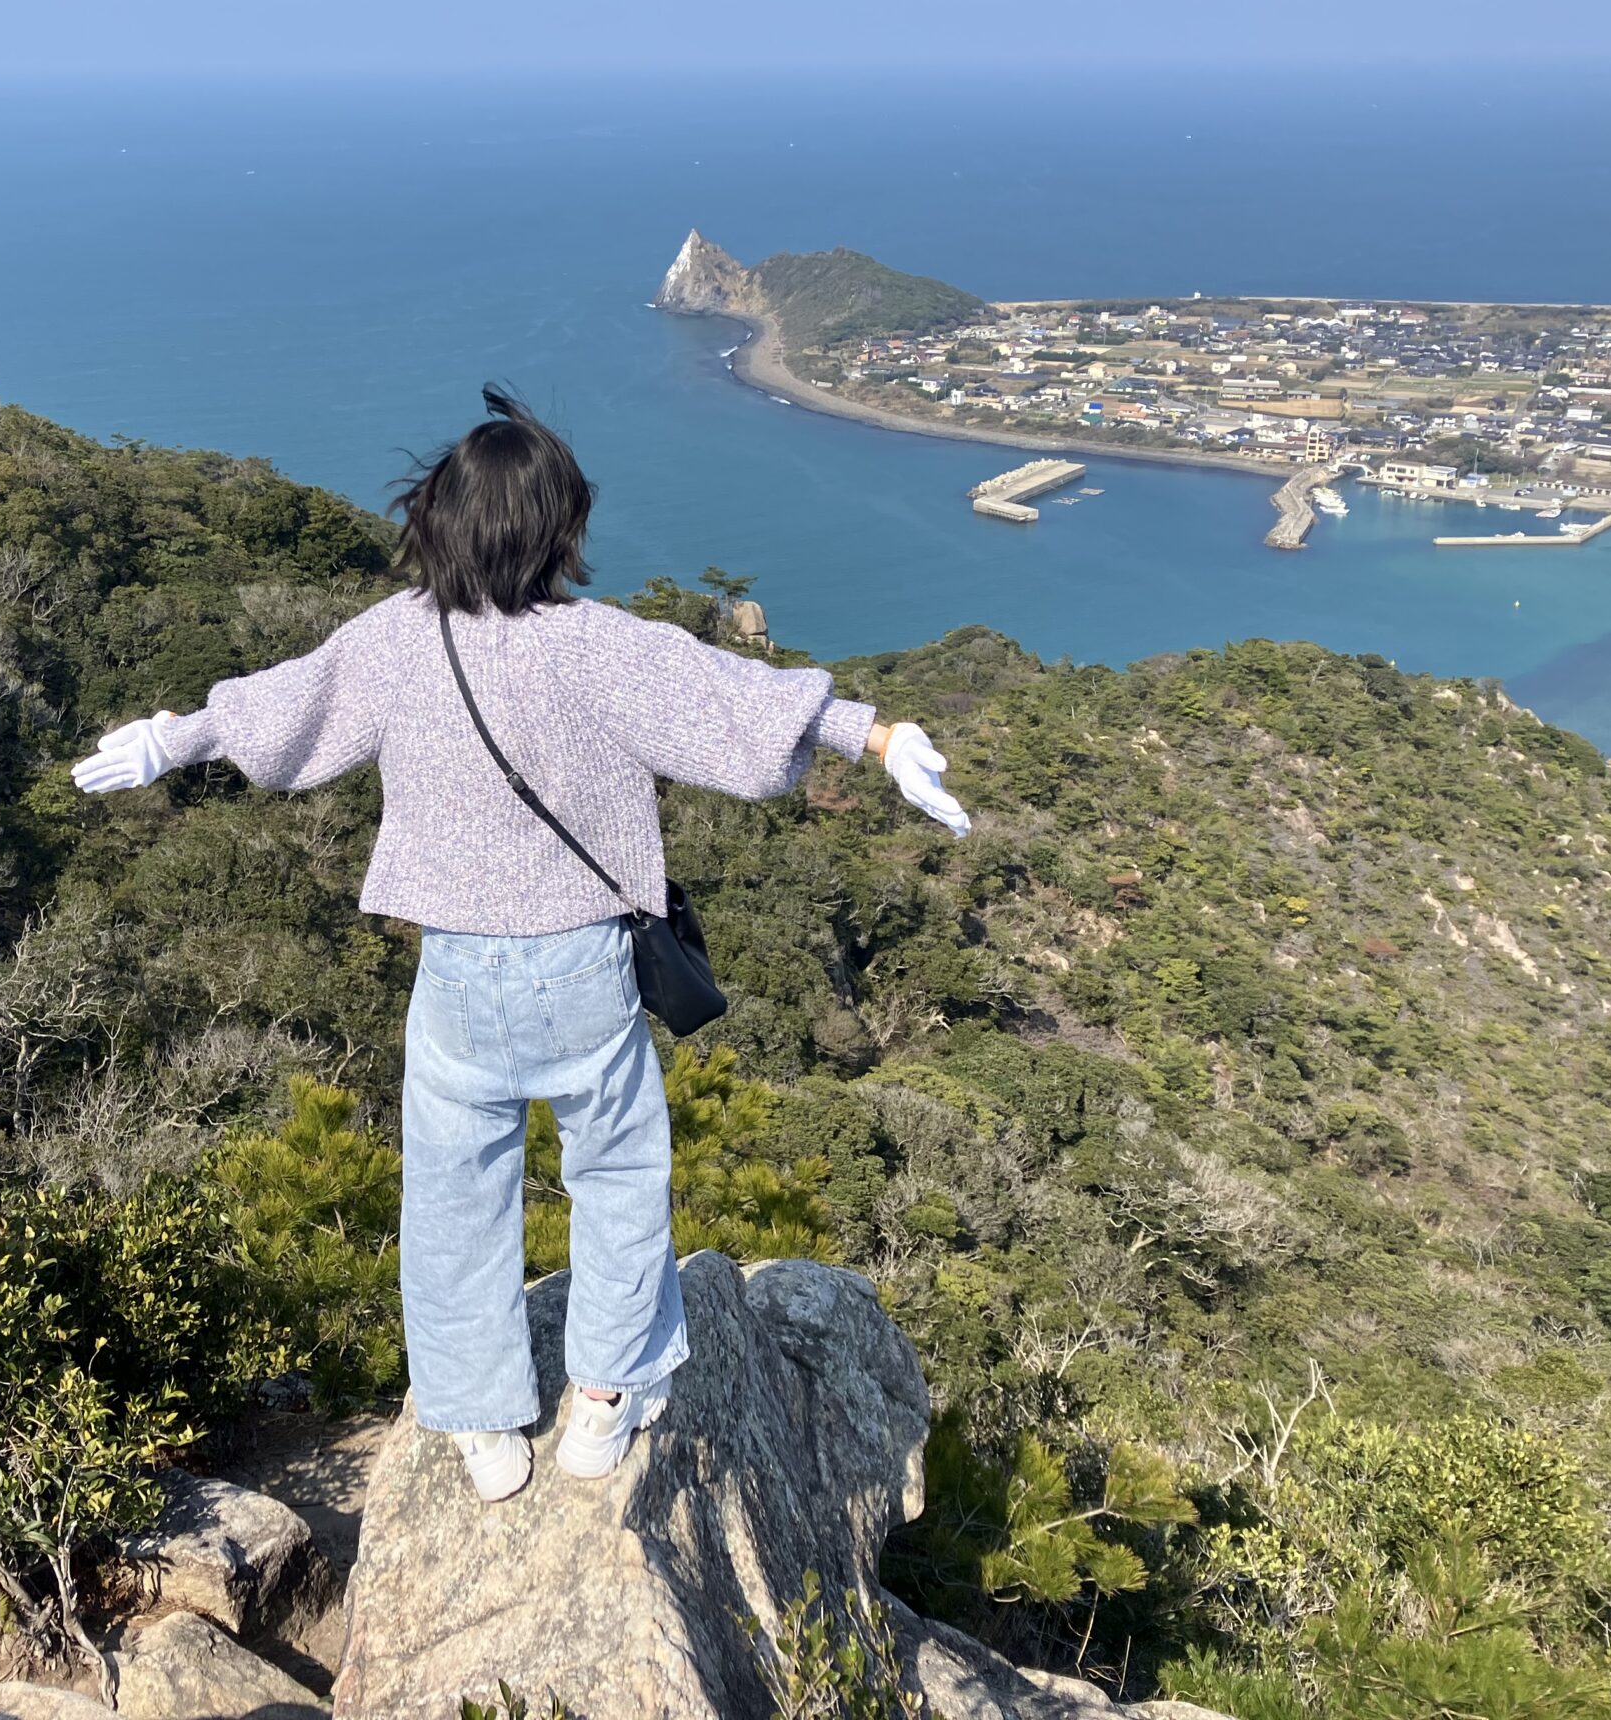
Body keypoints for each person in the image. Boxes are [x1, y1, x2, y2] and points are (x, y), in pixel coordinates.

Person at [71, 388, 967, 1501]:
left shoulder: (398, 642)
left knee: (454, 1198)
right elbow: (736, 704)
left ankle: (484, 1427)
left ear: (438, 518)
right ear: (558, 527)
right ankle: (602, 1402)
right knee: (620, 1179)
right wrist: (875, 737)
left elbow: (285, 706)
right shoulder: (601, 648)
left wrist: (171, 741)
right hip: (587, 968)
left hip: (457, 974)